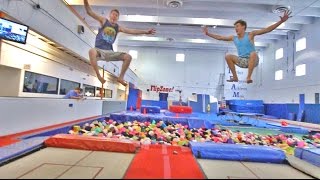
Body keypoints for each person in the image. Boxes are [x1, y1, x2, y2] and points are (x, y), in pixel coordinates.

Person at [203, 11, 291, 84]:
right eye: (235, 27)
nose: (235, 28)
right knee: (227, 56)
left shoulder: (250, 35)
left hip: (253, 60)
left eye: (237, 26)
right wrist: (208, 34)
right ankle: (235, 77)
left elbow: (267, 30)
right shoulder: (234, 38)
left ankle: (248, 77)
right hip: (242, 61)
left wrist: (281, 21)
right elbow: (220, 37)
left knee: (253, 53)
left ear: (243, 27)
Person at [84, 0, 156, 86]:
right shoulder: (104, 21)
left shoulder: (118, 28)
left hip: (110, 52)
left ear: (118, 18)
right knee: (91, 51)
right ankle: (99, 76)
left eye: (116, 15)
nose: (114, 16)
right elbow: (89, 12)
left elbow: (131, 31)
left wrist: (145, 32)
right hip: (99, 50)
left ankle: (121, 77)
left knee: (128, 57)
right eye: (113, 14)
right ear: (110, 15)